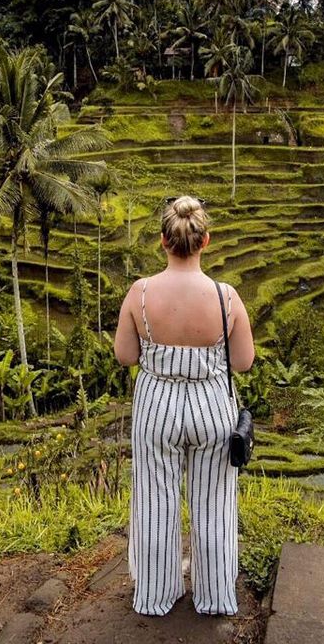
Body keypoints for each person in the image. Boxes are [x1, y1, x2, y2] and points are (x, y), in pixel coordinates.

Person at [114, 195, 255, 617]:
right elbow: (243, 362)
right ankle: (213, 598)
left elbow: (125, 356)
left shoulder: (140, 293)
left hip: (156, 408)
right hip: (212, 409)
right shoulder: (226, 297)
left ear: (163, 241)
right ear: (205, 241)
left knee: (156, 504)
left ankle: (157, 595)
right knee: (214, 503)